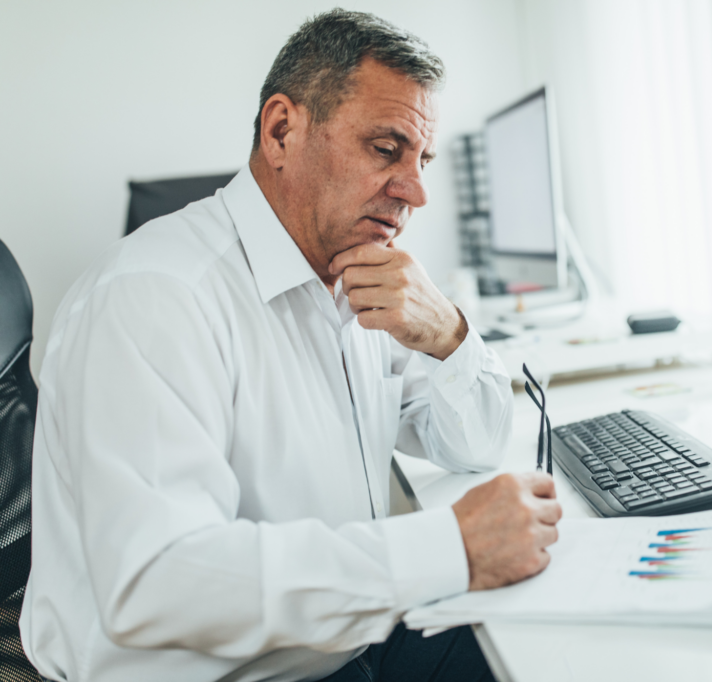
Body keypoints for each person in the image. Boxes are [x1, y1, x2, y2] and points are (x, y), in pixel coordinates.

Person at [20, 9, 562, 682]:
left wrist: (448, 333)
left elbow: (474, 442)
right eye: (386, 148)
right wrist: (450, 545)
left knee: (555, 648)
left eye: (422, 159)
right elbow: (156, 583)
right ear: (282, 130)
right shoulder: (156, 296)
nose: (417, 191)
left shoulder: (352, 276)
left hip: (338, 648)